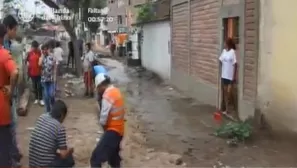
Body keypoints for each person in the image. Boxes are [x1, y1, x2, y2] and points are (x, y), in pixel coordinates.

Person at [90, 73, 125, 168]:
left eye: (98, 88)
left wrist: (98, 112)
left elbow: (103, 120)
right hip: (120, 131)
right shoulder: (116, 91)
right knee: (114, 160)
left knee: (95, 158)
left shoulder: (107, 96)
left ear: (101, 85)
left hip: (112, 132)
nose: (98, 90)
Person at [28, 100, 75, 167]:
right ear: (62, 115)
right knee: (69, 159)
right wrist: (71, 150)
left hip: (33, 163)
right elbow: (63, 154)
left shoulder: (42, 117)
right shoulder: (59, 127)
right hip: (45, 164)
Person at [2, 14, 22, 166]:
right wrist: (11, 87)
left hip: (8, 91)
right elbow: (14, 71)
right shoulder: (6, 48)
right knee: (10, 126)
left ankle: (13, 153)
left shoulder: (9, 44)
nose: (15, 33)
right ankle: (12, 157)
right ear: (8, 29)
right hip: (5, 93)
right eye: (14, 30)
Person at [0, 23, 19, 167]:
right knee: (4, 144)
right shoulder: (4, 54)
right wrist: (11, 90)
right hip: (2, 106)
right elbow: (15, 72)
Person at [219, 38, 237, 114]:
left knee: (229, 93)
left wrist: (234, 76)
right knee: (225, 93)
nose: (224, 44)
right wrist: (222, 68)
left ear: (228, 44)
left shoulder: (233, 52)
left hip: (230, 76)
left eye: (225, 43)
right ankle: (226, 109)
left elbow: (235, 64)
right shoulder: (224, 51)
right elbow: (220, 60)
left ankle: (234, 107)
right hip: (224, 75)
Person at [39, 44, 55, 113]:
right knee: (46, 95)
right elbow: (39, 64)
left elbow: (54, 67)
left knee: (51, 94)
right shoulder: (41, 58)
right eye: (43, 49)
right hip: (44, 79)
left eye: (46, 49)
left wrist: (55, 77)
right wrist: (42, 56)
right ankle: (48, 111)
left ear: (48, 49)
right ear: (42, 50)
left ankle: (53, 107)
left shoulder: (51, 57)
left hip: (51, 79)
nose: (45, 51)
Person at [27, 40, 44, 106]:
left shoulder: (40, 53)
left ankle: (41, 99)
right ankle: (36, 98)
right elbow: (28, 62)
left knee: (39, 86)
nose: (34, 48)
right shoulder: (29, 53)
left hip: (39, 73)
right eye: (33, 47)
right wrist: (28, 73)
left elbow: (41, 62)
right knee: (34, 86)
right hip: (32, 73)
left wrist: (42, 70)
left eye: (35, 47)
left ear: (37, 47)